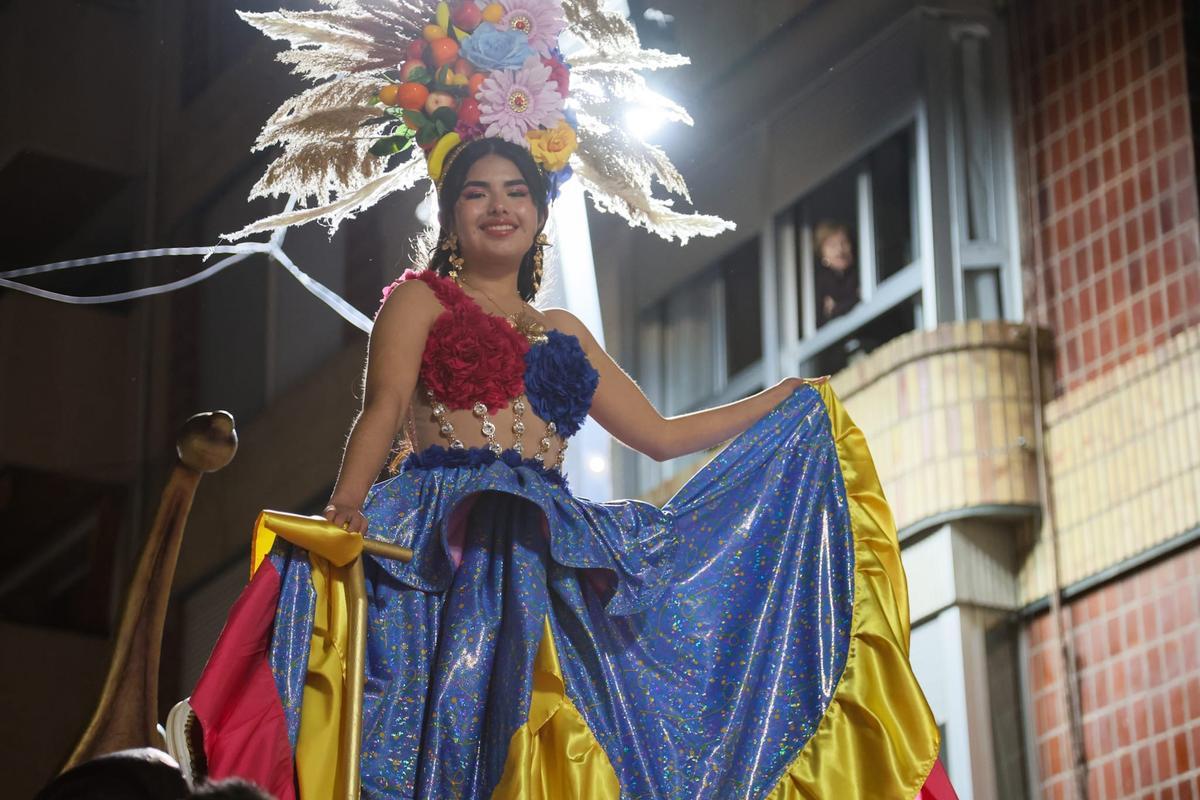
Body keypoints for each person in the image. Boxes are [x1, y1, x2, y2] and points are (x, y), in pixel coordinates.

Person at [814, 220, 861, 326]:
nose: (840, 250)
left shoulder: (864, 272)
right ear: (822, 253)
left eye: (844, 242)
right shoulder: (820, 284)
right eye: (832, 245)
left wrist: (836, 308)